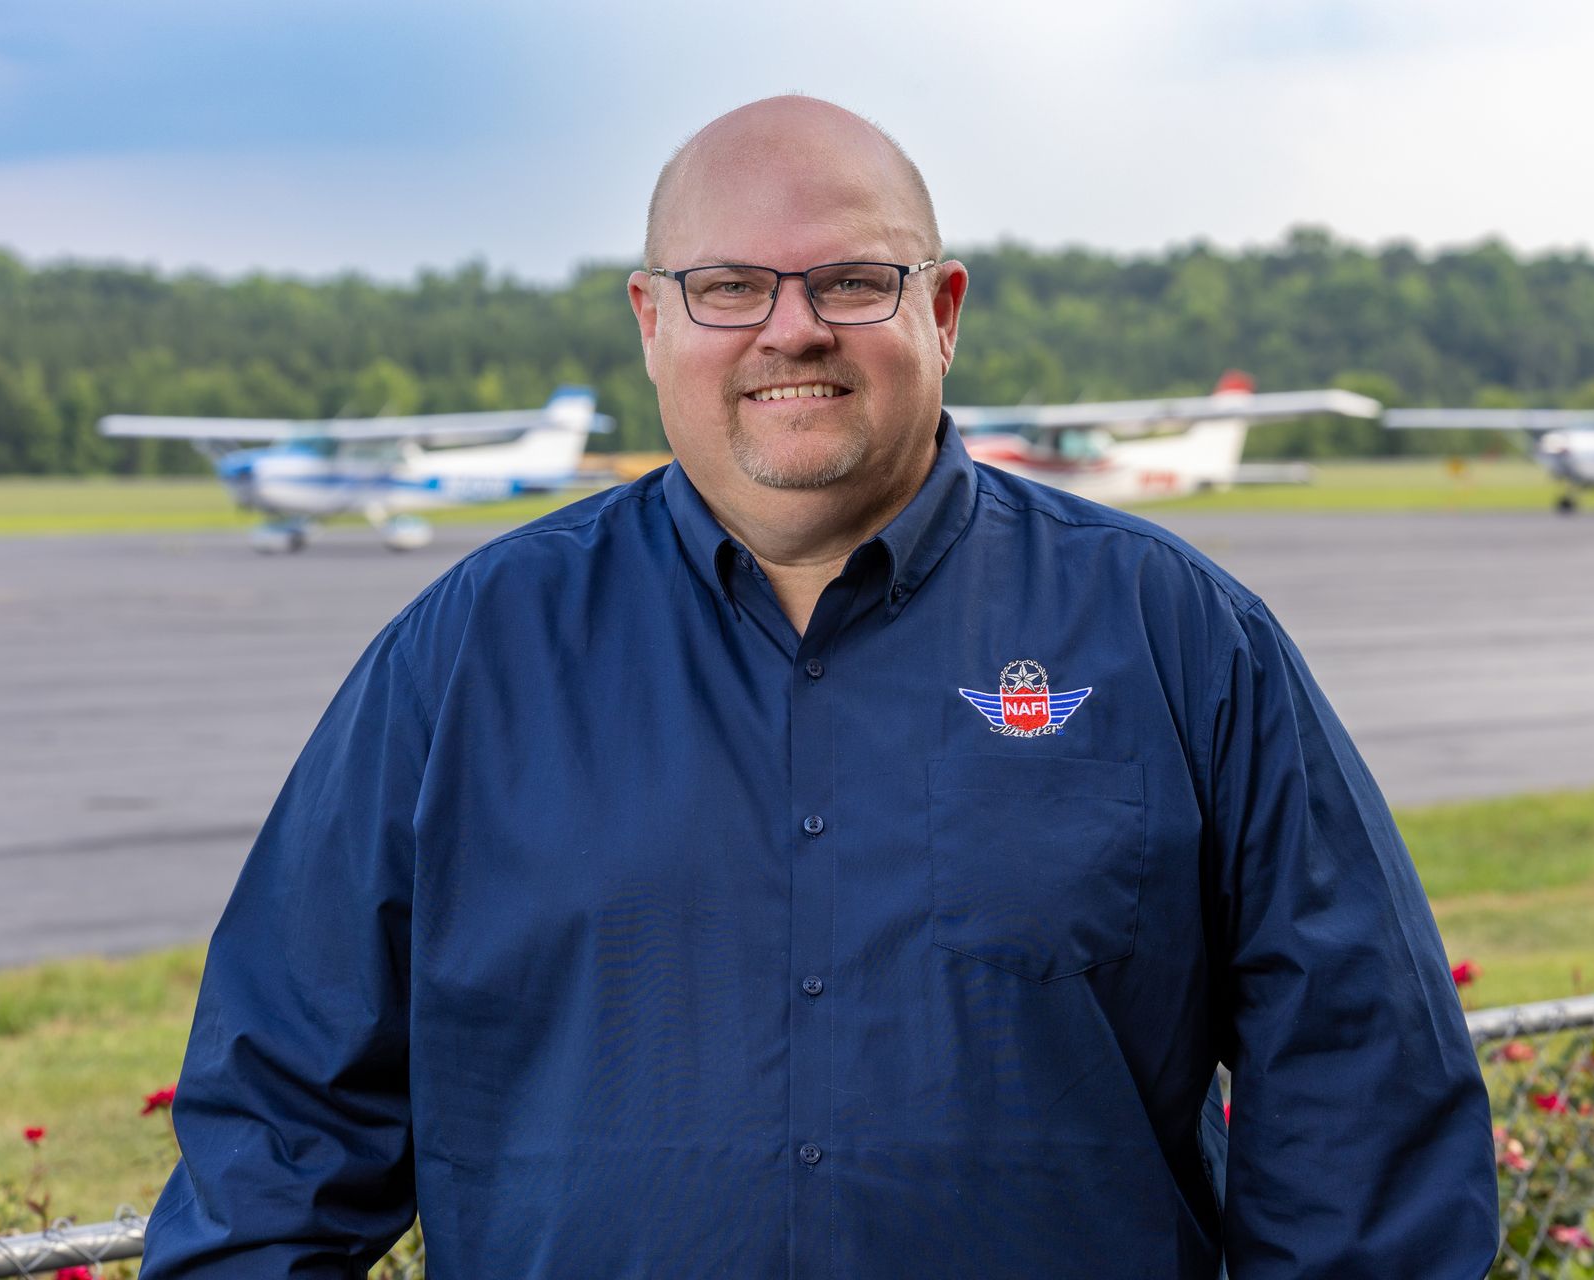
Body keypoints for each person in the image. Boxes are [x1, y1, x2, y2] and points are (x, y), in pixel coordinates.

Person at [141, 96, 1499, 1278]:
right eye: (728, 286)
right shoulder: (459, 666)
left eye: (853, 281)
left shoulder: (1178, 638)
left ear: (944, 310)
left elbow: (1362, 1110)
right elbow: (275, 1146)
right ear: (650, 320)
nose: (791, 330)